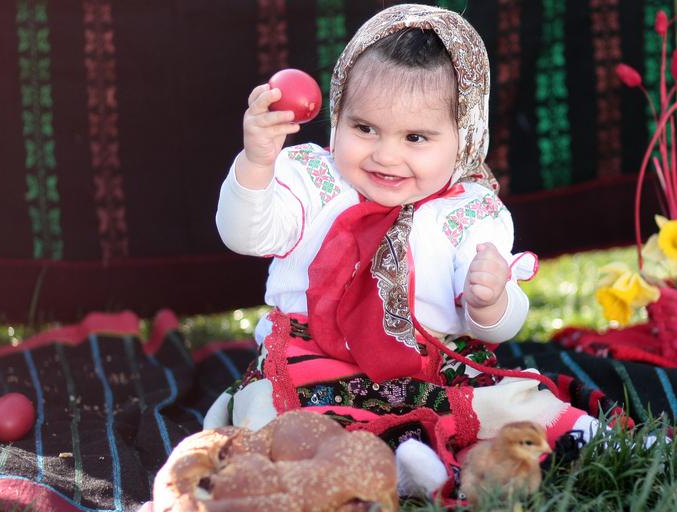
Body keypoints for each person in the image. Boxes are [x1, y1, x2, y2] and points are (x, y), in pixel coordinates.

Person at [208, 3, 602, 500]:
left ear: (464, 140)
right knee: (274, 414)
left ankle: (465, 458)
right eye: (364, 128)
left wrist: (490, 302)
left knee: (518, 402)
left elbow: (497, 328)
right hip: (317, 358)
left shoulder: (468, 212)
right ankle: (388, 470)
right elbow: (245, 234)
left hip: (431, 365)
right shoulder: (315, 182)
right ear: (337, 115)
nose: (385, 155)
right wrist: (256, 162)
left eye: (415, 137)